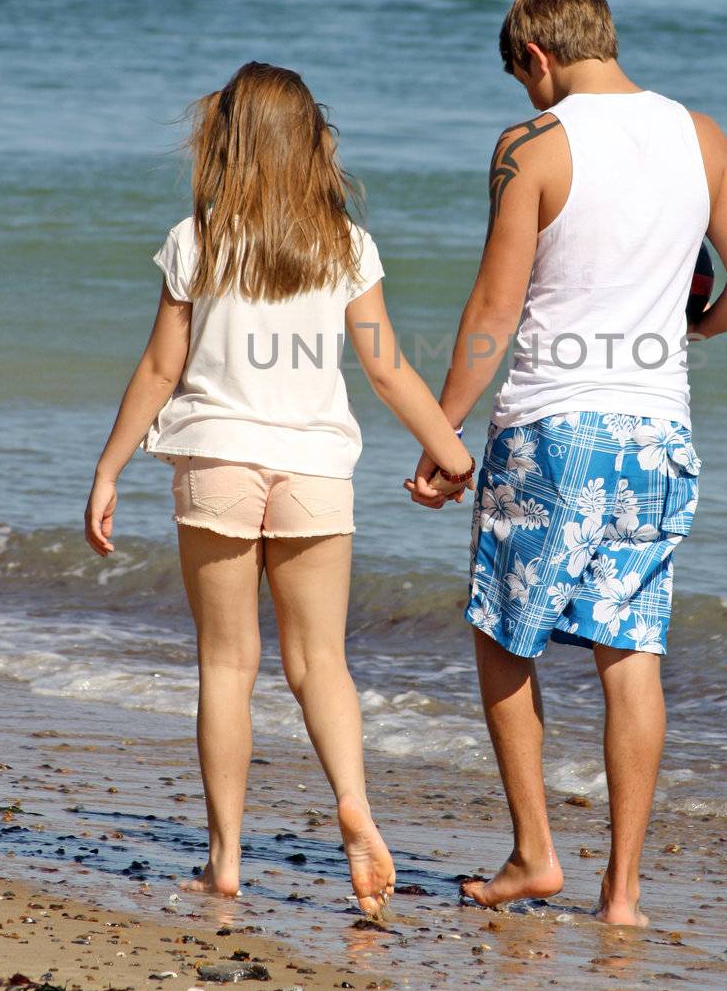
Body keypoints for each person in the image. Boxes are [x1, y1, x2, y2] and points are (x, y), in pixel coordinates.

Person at [406, 0, 727, 926]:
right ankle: (622, 893)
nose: (527, 97)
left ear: (536, 57)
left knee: (500, 633)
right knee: (631, 650)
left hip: (552, 427)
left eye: (522, 78)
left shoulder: (533, 144)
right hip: (657, 432)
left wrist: (442, 433)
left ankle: (535, 854)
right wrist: (685, 332)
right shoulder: (702, 135)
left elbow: (493, 313)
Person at [85, 61, 473, 913]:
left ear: (227, 140)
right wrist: (452, 452)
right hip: (314, 469)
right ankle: (354, 804)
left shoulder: (198, 238)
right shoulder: (345, 244)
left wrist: (109, 467)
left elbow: (161, 368)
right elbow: (385, 366)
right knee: (320, 661)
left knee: (227, 664)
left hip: (218, 457)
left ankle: (224, 860)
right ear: (311, 143)